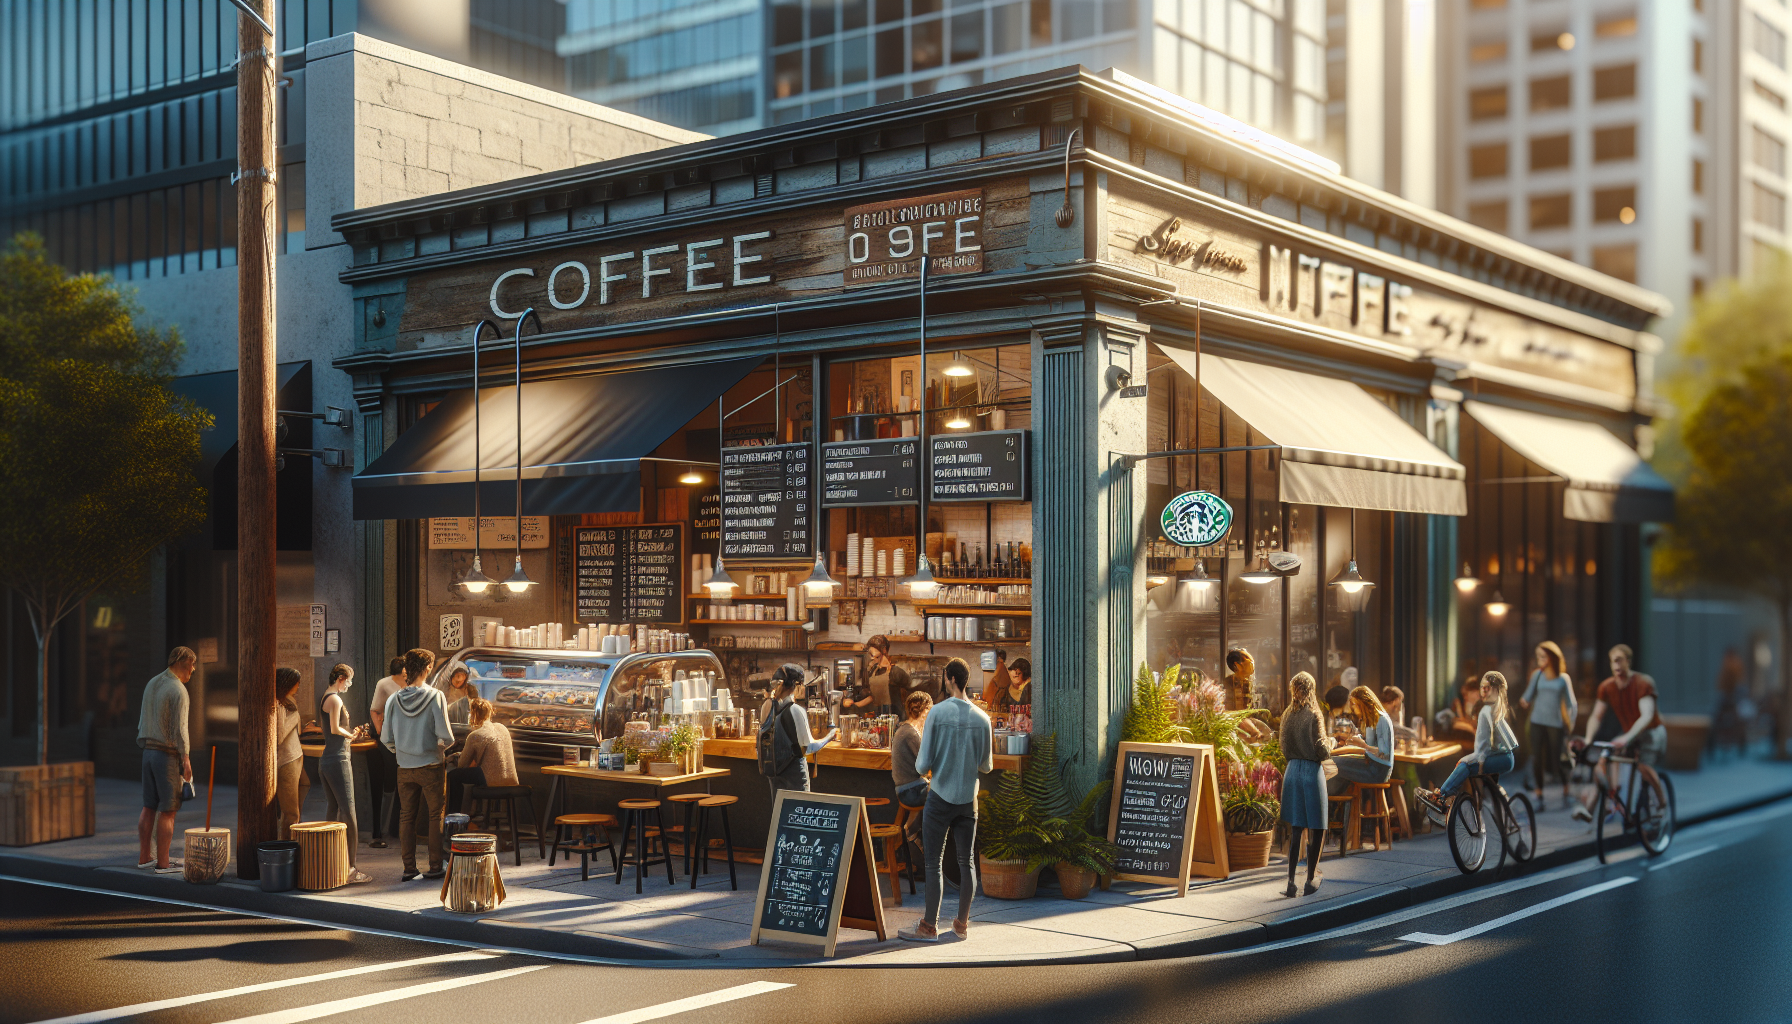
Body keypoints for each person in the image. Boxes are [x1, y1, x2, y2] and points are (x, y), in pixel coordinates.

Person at [900, 658, 993, 944]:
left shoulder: (937, 713)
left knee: (933, 863)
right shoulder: (983, 718)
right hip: (968, 800)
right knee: (967, 862)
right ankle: (961, 925)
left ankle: (929, 926)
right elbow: (987, 766)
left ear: (950, 679)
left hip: (940, 797)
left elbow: (921, 765)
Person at [1573, 644, 1668, 823]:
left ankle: (1662, 804)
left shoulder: (1643, 683)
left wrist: (1627, 738)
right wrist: (1588, 739)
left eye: (1619, 660)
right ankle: (1600, 803)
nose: (1615, 665)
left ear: (1628, 662)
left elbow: (1646, 716)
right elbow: (1596, 716)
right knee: (1604, 758)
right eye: (1612, 661)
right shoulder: (1607, 687)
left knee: (1642, 765)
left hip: (1652, 732)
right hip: (1630, 733)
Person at [381, 648, 452, 881]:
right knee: (434, 816)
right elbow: (447, 736)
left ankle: (409, 869)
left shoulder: (393, 699)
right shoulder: (435, 696)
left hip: (404, 767)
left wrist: (400, 752)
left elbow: (385, 738)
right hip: (431, 764)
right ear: (428, 668)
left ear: (406, 669)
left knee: (406, 817)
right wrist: (439, 749)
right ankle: (434, 866)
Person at [1416, 671, 1519, 819]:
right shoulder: (1492, 706)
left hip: (1500, 757)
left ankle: (1441, 797)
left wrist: (1469, 760)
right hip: (1503, 756)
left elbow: (1482, 746)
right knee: (1465, 765)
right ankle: (1459, 800)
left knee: (1464, 765)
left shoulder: (1485, 711)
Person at [137, 647, 196, 874]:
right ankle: (163, 863)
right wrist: (186, 758)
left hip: (148, 752)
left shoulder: (152, 683)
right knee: (168, 810)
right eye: (192, 665)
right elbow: (181, 730)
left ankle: (145, 858)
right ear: (183, 662)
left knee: (148, 806)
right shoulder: (178, 690)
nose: (193, 670)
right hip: (167, 755)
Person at [1279, 672, 1333, 897]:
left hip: (1292, 771)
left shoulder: (1286, 715)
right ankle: (1311, 879)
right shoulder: (1314, 713)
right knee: (1317, 826)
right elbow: (1322, 748)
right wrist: (1332, 741)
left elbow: (1282, 745)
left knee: (1297, 828)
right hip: (1311, 771)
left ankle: (1291, 882)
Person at [317, 663, 372, 884]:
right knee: (349, 812)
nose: (349, 684)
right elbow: (334, 729)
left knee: (333, 810)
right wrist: (351, 735)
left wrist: (350, 733)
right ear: (341, 678)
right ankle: (350, 868)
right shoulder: (335, 699)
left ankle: (327, 861)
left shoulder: (325, 697)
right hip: (338, 759)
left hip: (328, 759)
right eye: (348, 680)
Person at [757, 664, 837, 798]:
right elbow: (809, 748)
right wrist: (830, 736)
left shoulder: (767, 707)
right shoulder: (795, 710)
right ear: (797, 686)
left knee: (779, 814)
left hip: (775, 773)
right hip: (794, 776)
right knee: (798, 815)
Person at [1519, 640, 1578, 811]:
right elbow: (1528, 695)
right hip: (1537, 721)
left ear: (1552, 658)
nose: (1540, 659)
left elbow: (1571, 703)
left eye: (1543, 656)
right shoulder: (1537, 675)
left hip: (1555, 724)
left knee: (1558, 758)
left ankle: (1566, 789)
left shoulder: (1563, 679)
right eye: (1538, 656)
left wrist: (1571, 722)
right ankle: (1539, 795)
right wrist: (1523, 701)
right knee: (1537, 758)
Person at [452, 697, 520, 816]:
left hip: (490, 781)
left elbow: (462, 765)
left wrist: (455, 756)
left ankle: (455, 819)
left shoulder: (476, 735)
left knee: (454, 776)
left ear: (473, 715)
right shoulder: (503, 728)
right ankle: (473, 817)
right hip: (511, 780)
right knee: (475, 773)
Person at [365, 655, 407, 849]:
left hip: (405, 739)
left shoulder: (412, 684)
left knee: (402, 783)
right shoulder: (384, 684)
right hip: (386, 740)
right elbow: (375, 709)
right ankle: (378, 830)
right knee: (386, 785)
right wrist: (381, 732)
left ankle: (396, 829)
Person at [1327, 686, 1394, 795]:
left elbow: (1384, 753)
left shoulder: (1382, 719)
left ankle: (1328, 801)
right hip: (1372, 765)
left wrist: (1364, 746)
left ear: (1362, 703)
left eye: (1353, 704)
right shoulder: (1371, 720)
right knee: (1335, 764)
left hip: (1378, 771)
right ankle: (1336, 804)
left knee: (1331, 763)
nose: (1352, 708)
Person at [891, 690, 933, 841]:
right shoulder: (910, 734)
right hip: (910, 791)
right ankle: (918, 839)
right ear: (925, 710)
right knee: (945, 797)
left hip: (909, 788)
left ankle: (913, 834)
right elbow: (926, 764)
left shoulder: (906, 729)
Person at [274, 667, 310, 841]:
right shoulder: (278, 704)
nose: (298, 686)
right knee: (291, 811)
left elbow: (299, 730)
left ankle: (291, 835)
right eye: (296, 683)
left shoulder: (287, 701)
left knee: (305, 785)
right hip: (286, 758)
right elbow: (279, 735)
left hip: (295, 754)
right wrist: (294, 717)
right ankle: (287, 845)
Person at [863, 635, 915, 712]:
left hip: (895, 715)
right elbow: (870, 695)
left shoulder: (896, 672)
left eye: (873, 649)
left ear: (883, 650)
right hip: (877, 715)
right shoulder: (873, 671)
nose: (870, 653)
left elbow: (912, 690)